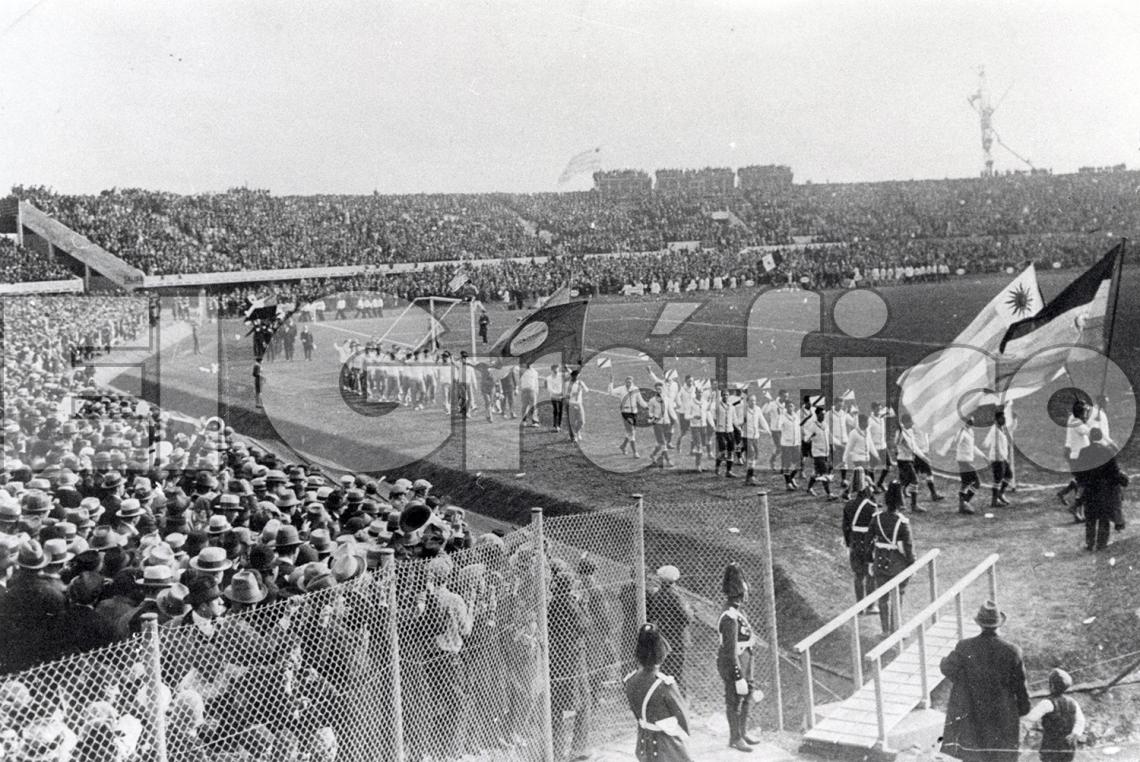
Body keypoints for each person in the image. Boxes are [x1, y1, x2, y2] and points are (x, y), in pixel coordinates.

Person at [940, 600, 1031, 762]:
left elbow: (947, 668)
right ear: (999, 624)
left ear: (979, 624)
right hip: (1003, 714)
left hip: (972, 712)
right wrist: (1023, 709)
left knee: (973, 754)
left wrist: (964, 682)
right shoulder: (1012, 651)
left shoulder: (965, 646)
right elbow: (1020, 686)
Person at [623, 623, 694, 762]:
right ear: (660, 652)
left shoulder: (629, 680)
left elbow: (637, 714)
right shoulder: (665, 684)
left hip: (643, 742)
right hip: (665, 746)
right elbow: (683, 719)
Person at [717, 563, 760, 753]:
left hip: (746, 658)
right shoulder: (730, 616)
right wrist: (738, 676)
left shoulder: (738, 612)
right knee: (734, 700)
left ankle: (742, 732)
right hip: (735, 662)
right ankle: (735, 738)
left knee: (747, 697)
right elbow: (730, 650)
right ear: (739, 592)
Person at [1075, 427, 1129, 552]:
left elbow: (1078, 472)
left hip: (1089, 489)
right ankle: (1101, 544)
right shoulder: (1107, 451)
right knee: (1104, 518)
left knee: (1090, 518)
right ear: (1100, 437)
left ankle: (1089, 543)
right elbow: (1114, 472)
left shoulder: (1083, 452)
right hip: (1105, 491)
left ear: (1089, 438)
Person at [872, 482, 914, 634]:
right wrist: (912, 565)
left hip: (880, 562)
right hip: (897, 564)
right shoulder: (903, 523)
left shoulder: (876, 518)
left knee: (883, 598)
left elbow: (870, 539)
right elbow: (908, 548)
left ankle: (885, 630)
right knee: (898, 597)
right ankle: (896, 630)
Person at [1023, 668, 1085, 762]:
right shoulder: (1073, 702)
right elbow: (1081, 721)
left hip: (1051, 745)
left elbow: (1031, 717)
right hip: (1068, 746)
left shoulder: (1047, 703)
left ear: (1052, 685)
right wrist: (1074, 734)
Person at [646, 565, 693, 689]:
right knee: (678, 667)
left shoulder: (657, 595)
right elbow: (686, 617)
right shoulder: (676, 597)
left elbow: (653, 614)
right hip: (677, 635)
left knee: (665, 664)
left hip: (663, 634)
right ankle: (677, 692)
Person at [841, 469, 878, 609]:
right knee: (870, 574)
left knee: (858, 575)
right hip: (868, 542)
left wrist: (848, 542)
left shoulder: (848, 505)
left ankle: (859, 606)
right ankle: (870, 606)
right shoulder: (871, 507)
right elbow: (875, 528)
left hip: (854, 541)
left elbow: (845, 527)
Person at [953, 416, 987, 516]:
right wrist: (961, 430)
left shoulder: (970, 432)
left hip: (966, 461)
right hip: (964, 461)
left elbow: (972, 447)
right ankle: (965, 502)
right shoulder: (961, 432)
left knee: (965, 483)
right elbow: (957, 442)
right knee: (977, 483)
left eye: (972, 422)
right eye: (969, 422)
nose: (970, 424)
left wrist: (983, 456)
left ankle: (961, 506)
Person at [610, 373, 649, 459]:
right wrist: (611, 382)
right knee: (631, 432)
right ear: (625, 382)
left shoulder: (635, 389)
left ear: (632, 382)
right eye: (627, 382)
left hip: (634, 413)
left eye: (630, 382)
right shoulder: (621, 389)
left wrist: (647, 406)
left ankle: (623, 446)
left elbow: (640, 401)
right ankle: (635, 452)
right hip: (625, 412)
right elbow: (611, 392)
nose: (628, 383)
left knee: (631, 432)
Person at [566, 369, 588, 443]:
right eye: (576, 376)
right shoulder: (567, 384)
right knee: (572, 422)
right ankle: (574, 436)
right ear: (573, 376)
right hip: (571, 404)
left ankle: (576, 432)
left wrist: (582, 386)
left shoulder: (580, 383)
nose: (577, 377)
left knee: (582, 422)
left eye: (578, 376)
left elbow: (587, 390)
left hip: (579, 404)